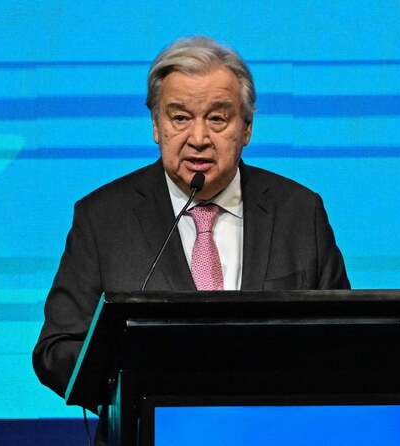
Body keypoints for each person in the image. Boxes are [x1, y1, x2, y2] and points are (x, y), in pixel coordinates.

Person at [32, 35, 350, 443]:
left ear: (247, 128)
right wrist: (137, 381)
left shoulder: (300, 213)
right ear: (156, 125)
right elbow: (56, 348)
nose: (198, 138)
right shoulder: (103, 217)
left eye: (217, 119)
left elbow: (345, 342)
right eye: (180, 118)